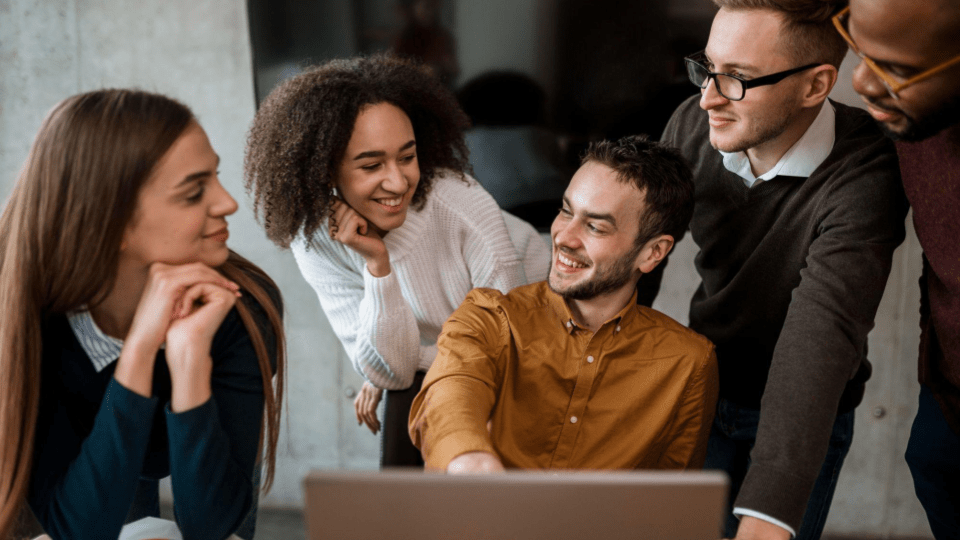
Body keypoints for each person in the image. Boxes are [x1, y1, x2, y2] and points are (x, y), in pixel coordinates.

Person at [647, 1, 910, 538]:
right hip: (704, 385)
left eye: (738, 79)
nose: (708, 97)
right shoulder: (693, 127)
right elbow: (637, 258)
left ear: (815, 86)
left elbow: (820, 333)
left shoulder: (866, 172)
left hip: (807, 411)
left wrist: (768, 513)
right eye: (708, 67)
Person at [0, 89, 285, 540]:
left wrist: (190, 359)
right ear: (109, 222)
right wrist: (138, 352)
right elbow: (79, 530)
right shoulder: (22, 315)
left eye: (216, 177)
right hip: (92, 453)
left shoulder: (241, 306)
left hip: (179, 443)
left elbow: (213, 531)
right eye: (194, 192)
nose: (228, 202)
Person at [244, 54, 549, 467]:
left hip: (543, 325)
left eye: (407, 157)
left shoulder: (460, 204)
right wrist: (377, 265)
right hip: (454, 348)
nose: (398, 181)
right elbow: (392, 372)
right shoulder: (315, 239)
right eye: (372, 165)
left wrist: (395, 365)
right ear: (322, 172)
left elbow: (508, 348)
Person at [409, 135, 718, 473]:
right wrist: (468, 458)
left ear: (652, 253)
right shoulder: (489, 317)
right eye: (566, 211)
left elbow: (673, 503)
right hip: (486, 520)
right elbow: (449, 396)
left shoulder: (688, 363)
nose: (564, 237)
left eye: (595, 227)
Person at [838, 2, 960, 537]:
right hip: (947, 408)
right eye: (857, 48)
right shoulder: (916, 119)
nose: (862, 81)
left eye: (899, 71)